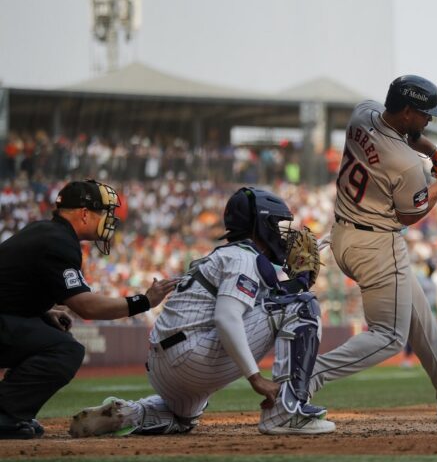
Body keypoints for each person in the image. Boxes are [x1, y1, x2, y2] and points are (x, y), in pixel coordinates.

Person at [69, 187, 335, 437]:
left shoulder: (228, 255)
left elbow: (264, 302)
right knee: (302, 303)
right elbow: (227, 317)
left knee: (182, 419)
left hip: (163, 365)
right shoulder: (244, 258)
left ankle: (128, 414)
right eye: (276, 225)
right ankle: (288, 412)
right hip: (191, 356)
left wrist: (297, 281)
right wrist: (256, 378)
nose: (281, 234)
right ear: (261, 224)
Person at [310, 75, 437, 421]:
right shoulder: (406, 165)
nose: (430, 120)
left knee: (420, 319)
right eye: (425, 114)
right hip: (377, 244)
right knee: (389, 337)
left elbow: (408, 137)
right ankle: (303, 380)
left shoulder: (363, 113)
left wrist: (434, 153)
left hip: (344, 235)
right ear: (408, 111)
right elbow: (412, 214)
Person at [0, 179, 178, 440]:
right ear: (84, 213)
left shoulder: (45, 232)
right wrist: (144, 301)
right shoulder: (58, 241)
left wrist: (44, 313)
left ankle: (11, 413)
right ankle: (5, 416)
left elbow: (10, 289)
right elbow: (86, 306)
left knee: (51, 331)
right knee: (67, 350)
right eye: (104, 212)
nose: (109, 219)